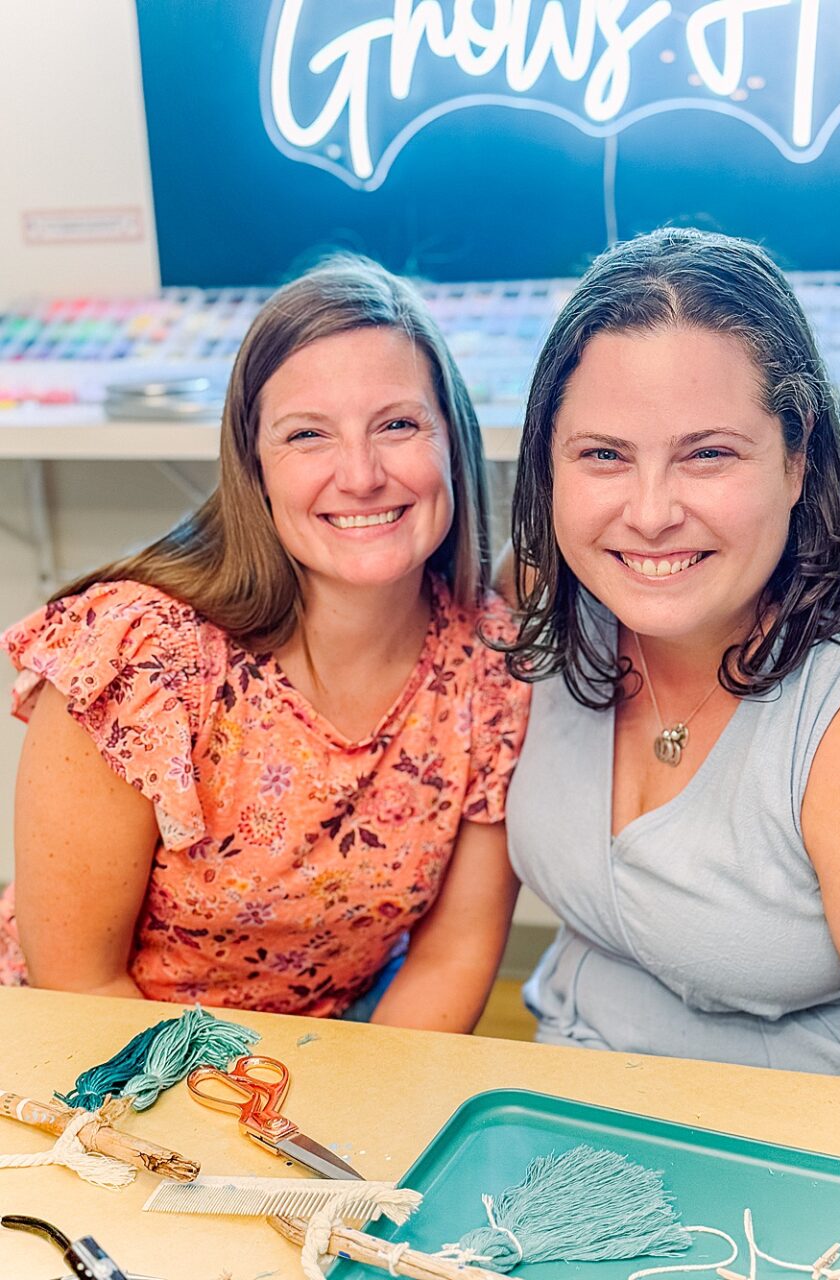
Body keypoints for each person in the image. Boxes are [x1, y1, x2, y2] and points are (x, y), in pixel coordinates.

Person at [0, 258, 527, 1027]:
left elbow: (451, 957)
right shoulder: (138, 657)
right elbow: (79, 989)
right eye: (307, 435)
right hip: (98, 1056)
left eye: (398, 425)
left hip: (331, 1055)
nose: (361, 474)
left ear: (453, 440)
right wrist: (246, 1101)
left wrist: (352, 1100)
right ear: (255, 469)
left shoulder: (492, 663)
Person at [501, 230, 840, 1086]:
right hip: (561, 1113)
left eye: (707, 454)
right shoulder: (550, 596)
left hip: (796, 1147)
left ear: (797, 456)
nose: (649, 515)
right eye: (603, 455)